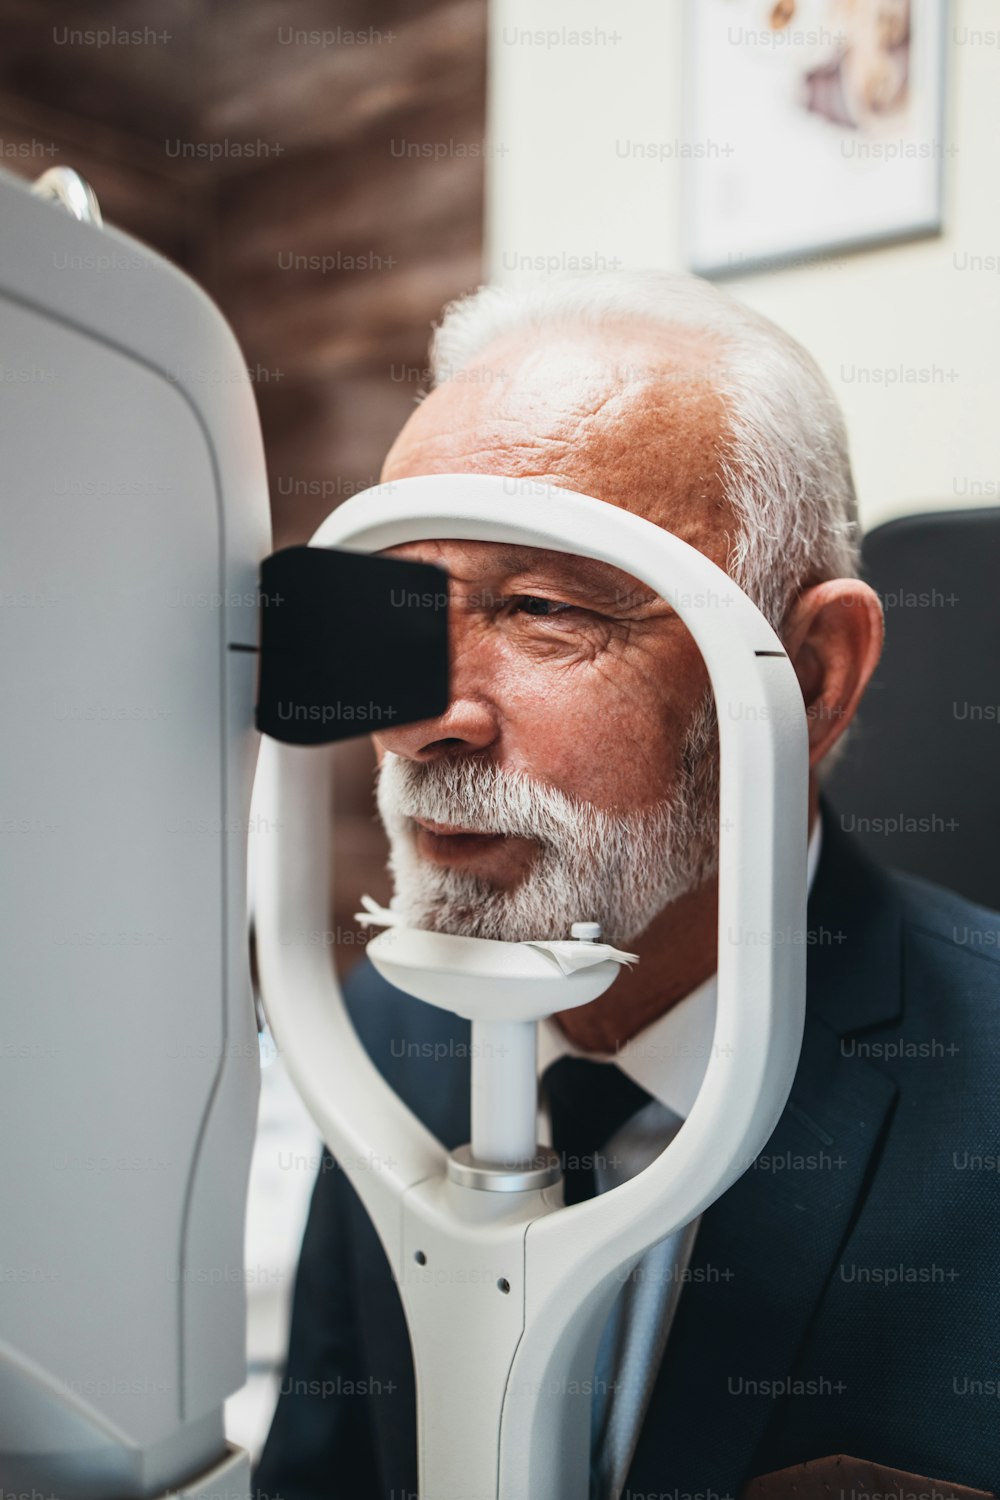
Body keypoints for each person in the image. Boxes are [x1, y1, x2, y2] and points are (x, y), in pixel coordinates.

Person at [254, 271, 1000, 1499]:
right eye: (404, 612)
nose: (423, 720)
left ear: (809, 675)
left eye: (544, 608)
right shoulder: (387, 1038)